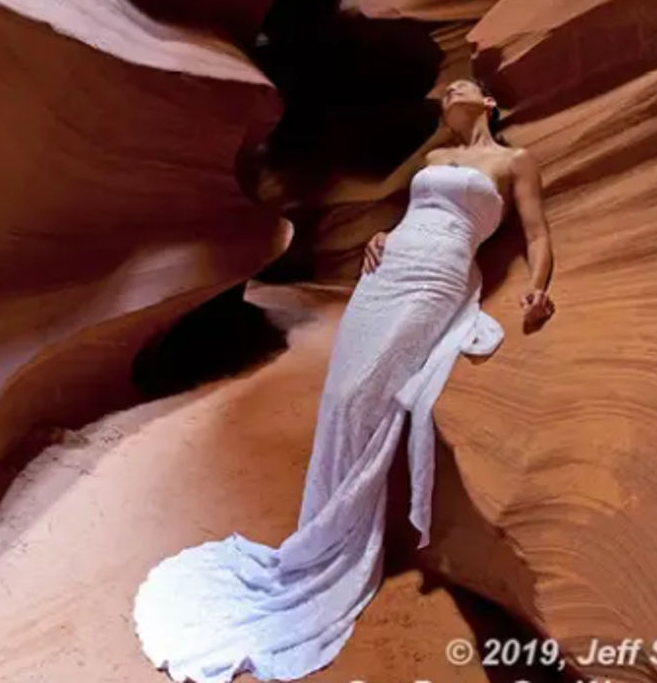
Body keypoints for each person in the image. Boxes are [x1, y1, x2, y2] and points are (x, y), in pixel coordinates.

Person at [134, 78, 555, 683]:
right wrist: (382, 235)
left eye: (463, 84)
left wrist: (539, 288)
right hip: (391, 268)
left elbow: (537, 234)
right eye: (445, 89)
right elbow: (414, 213)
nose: (450, 89)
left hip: (437, 278)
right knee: (340, 394)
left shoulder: (513, 161)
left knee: (369, 397)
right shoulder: (436, 159)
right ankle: (317, 535)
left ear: (487, 103)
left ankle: (340, 541)